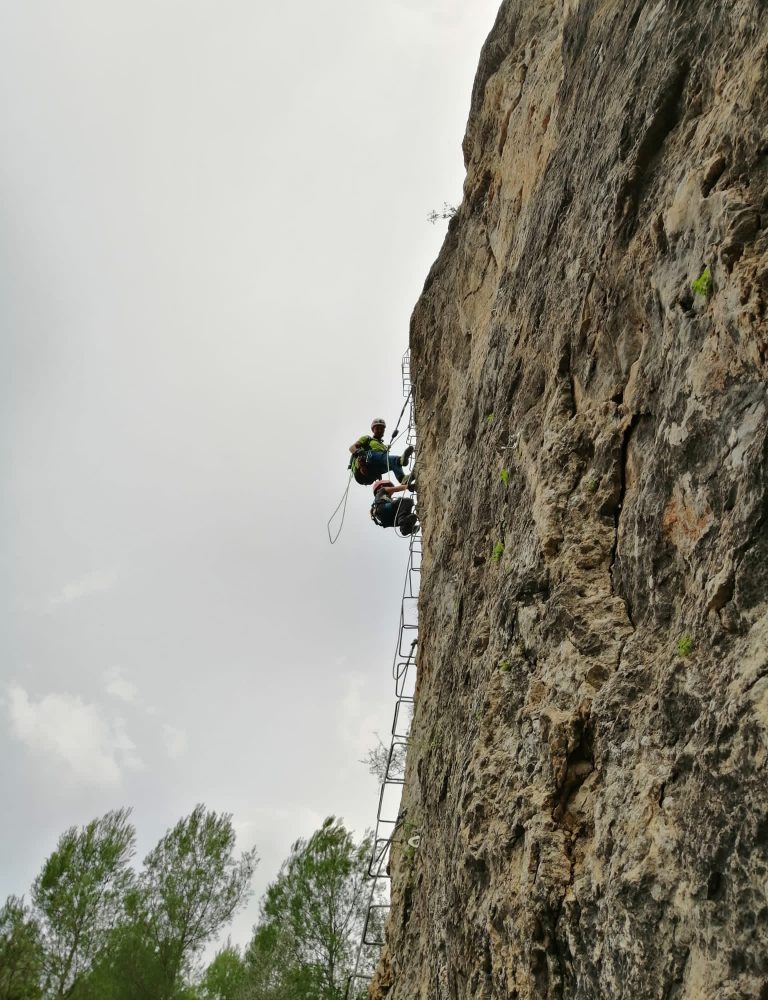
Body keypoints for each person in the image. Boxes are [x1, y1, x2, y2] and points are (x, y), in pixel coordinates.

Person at [349, 418, 414, 486]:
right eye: (377, 428)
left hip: (373, 471)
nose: (379, 430)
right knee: (379, 456)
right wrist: (358, 452)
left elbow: (385, 459)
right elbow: (351, 448)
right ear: (373, 430)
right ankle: (400, 460)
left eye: (381, 429)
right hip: (366, 464)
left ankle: (402, 478)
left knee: (392, 462)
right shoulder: (368, 439)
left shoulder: (384, 447)